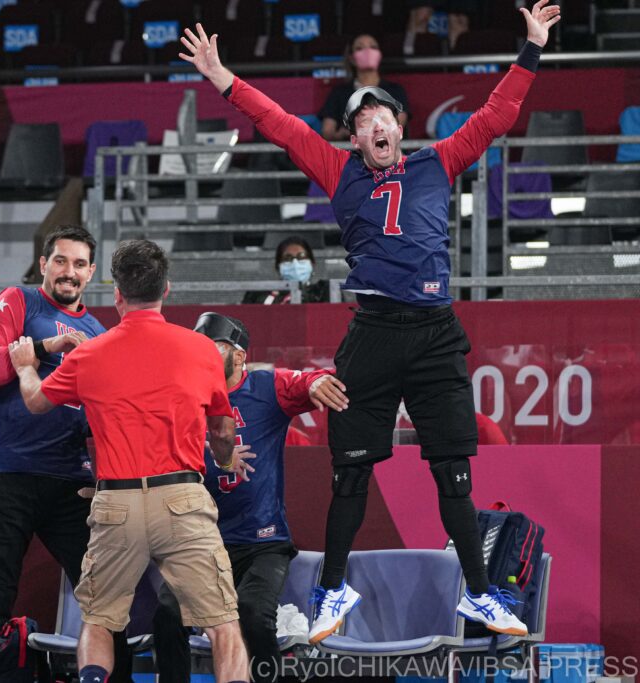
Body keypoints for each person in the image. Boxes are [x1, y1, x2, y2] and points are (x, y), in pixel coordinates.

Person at [179, 0, 560, 643]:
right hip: (374, 331)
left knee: (454, 474)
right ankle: (331, 589)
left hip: (436, 332)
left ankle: (481, 593)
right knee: (350, 471)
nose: (373, 124)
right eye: (361, 120)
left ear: (399, 125)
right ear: (352, 137)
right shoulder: (336, 170)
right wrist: (221, 77)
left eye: (381, 114)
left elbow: (497, 116)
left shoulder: (438, 160)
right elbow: (276, 123)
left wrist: (532, 47)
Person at [8, 239, 249, 683]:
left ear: (117, 294)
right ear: (167, 289)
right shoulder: (201, 351)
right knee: (223, 626)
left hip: (116, 505)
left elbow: (37, 402)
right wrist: (224, 455)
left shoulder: (88, 352)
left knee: (98, 621)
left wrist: (25, 365)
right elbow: (221, 430)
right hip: (182, 499)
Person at [0, 224, 131, 683]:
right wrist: (43, 347)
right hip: (7, 477)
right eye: (60, 261)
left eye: (78, 264)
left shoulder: (99, 332)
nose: (68, 272)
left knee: (103, 600)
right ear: (43, 264)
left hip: (70, 483)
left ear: (91, 273)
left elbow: (105, 418)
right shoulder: (19, 300)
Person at [152, 312, 348, 683]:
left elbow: (304, 380)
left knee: (254, 613)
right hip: (200, 539)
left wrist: (319, 380)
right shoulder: (182, 394)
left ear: (238, 356)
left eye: (212, 347)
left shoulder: (264, 387)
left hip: (262, 541)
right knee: (167, 615)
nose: (201, 355)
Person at [319, 34, 410, 142]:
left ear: (379, 55)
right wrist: (342, 134)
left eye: (373, 47)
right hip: (350, 154)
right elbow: (327, 131)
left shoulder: (394, 90)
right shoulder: (339, 93)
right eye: (359, 48)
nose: (367, 51)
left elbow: (399, 122)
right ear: (351, 58)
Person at [243, 236, 329, 305]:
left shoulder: (325, 291)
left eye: (301, 257)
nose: (295, 263)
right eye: (287, 258)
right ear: (278, 267)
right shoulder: (257, 294)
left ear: (312, 264)